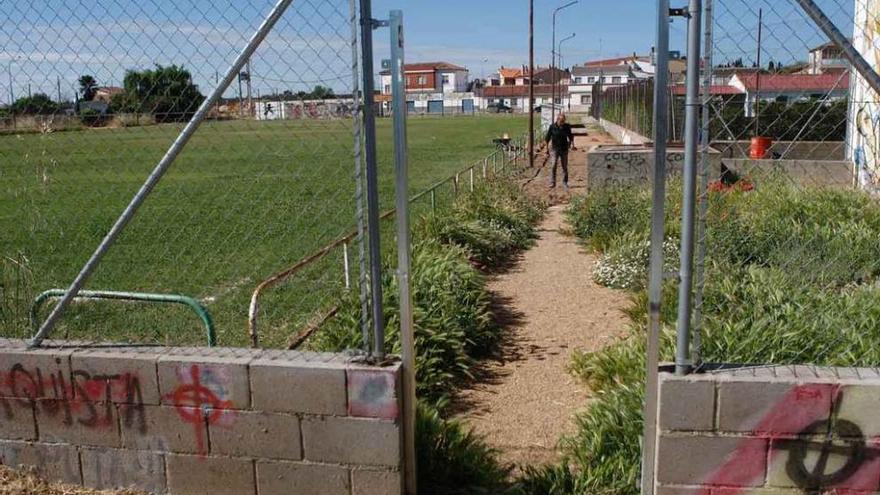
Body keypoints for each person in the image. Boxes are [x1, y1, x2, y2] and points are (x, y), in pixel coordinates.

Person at [544, 113, 576, 189]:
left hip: (564, 149)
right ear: (557, 120)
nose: (562, 122)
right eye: (561, 121)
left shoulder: (567, 126)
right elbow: (547, 138)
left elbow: (570, 136)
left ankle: (565, 182)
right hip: (554, 149)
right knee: (553, 165)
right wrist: (546, 149)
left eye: (563, 121)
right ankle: (552, 182)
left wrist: (572, 144)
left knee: (564, 166)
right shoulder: (552, 127)